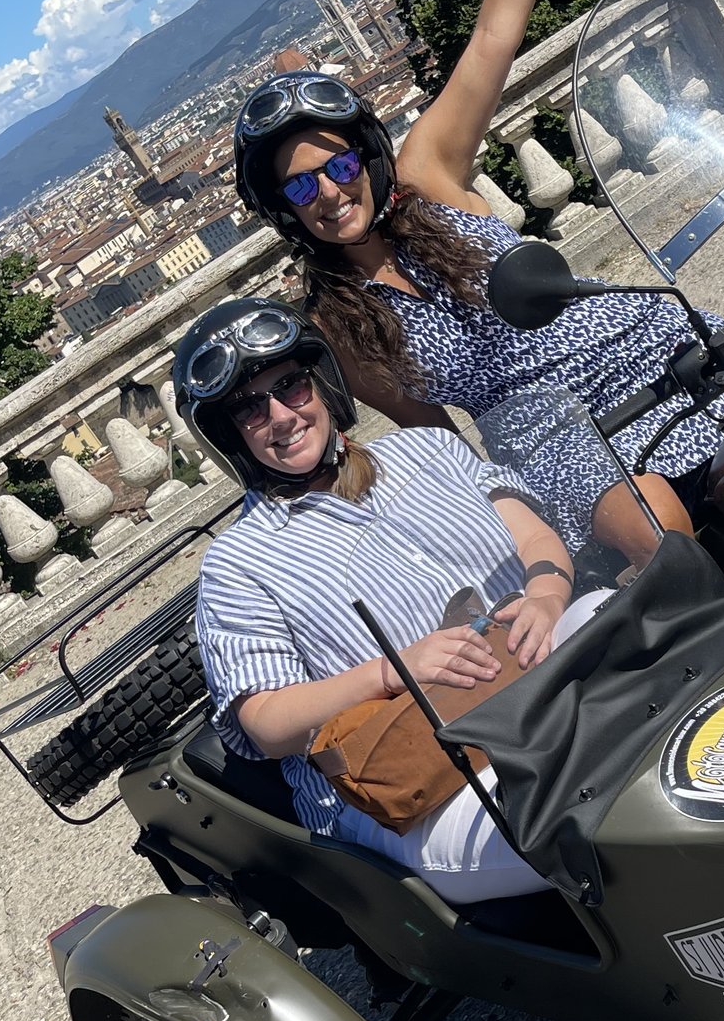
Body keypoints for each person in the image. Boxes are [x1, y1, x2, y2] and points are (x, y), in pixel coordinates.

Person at [228, 0, 724, 564]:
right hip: (559, 441)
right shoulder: (338, 321)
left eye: (335, 166)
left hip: (655, 350)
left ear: (362, 154)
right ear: (284, 210)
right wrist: (522, 544)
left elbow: (494, 36)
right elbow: (438, 441)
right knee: (677, 549)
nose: (329, 192)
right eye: (301, 186)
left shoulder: (429, 172)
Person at [177, 297, 608, 903]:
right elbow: (265, 723)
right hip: (413, 773)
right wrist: (389, 671)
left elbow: (534, 533)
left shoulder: (427, 450)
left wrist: (546, 593)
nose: (280, 415)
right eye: (249, 408)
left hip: (526, 675)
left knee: (636, 640)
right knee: (586, 821)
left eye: (291, 386)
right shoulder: (238, 563)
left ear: (321, 384)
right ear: (230, 435)